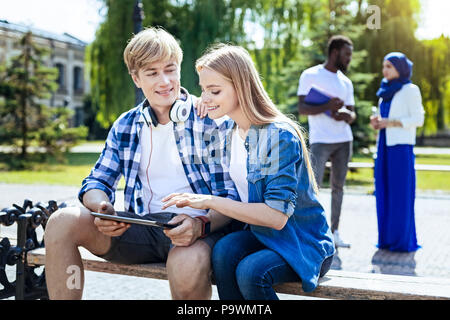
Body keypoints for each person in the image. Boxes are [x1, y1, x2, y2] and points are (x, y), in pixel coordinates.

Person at [43, 27, 239, 300]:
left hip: (197, 229)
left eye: (170, 70)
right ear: (136, 78)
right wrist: (102, 208)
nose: (164, 81)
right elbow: (96, 182)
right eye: (152, 73)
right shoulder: (126, 124)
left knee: (185, 263)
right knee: (61, 221)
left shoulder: (210, 119)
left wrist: (200, 225)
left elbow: (232, 197)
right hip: (142, 228)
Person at [161, 44, 335, 300]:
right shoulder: (228, 133)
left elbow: (276, 217)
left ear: (241, 87)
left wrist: (209, 201)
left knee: (251, 272)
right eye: (203, 89)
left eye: (215, 90)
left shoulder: (277, 137)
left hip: (301, 242)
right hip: (263, 236)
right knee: (223, 252)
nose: (205, 97)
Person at [297, 35, 356, 248]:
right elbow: (302, 109)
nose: (350, 58)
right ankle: (312, 233)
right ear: (335, 52)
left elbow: (352, 113)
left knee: (338, 187)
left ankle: (335, 232)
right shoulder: (310, 75)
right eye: (347, 54)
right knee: (313, 187)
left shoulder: (345, 82)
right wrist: (328, 106)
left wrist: (346, 115)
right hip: (321, 140)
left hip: (343, 140)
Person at [370, 52, 424, 252]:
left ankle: (401, 241)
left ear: (400, 68)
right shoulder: (384, 91)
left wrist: (389, 122)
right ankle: (386, 239)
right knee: (384, 191)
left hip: (401, 148)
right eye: (384, 66)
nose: (384, 70)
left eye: (389, 66)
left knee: (401, 194)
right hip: (384, 145)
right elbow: (384, 119)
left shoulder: (411, 90)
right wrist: (378, 124)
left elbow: (418, 119)